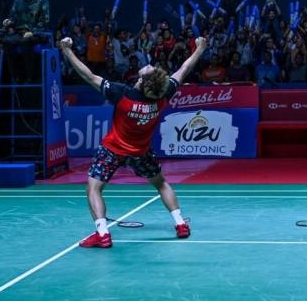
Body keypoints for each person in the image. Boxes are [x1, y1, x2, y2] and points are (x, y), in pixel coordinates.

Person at [59, 35, 207, 248]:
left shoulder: (122, 94)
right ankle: (181, 224)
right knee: (161, 183)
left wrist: (66, 51)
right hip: (141, 152)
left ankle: (102, 234)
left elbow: (88, 76)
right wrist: (200, 49)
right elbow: (184, 69)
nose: (150, 66)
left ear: (142, 81)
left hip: (112, 149)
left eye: (151, 70)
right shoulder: (163, 94)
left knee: (93, 188)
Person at [1, 0, 51, 83]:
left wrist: (33, 32)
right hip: (20, 33)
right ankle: (15, 76)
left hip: (38, 34)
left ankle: (30, 76)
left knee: (26, 41)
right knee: (6, 41)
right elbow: (13, 18)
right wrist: (8, 21)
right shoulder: (18, 0)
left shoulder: (43, 0)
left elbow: (44, 21)